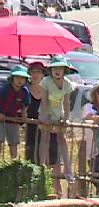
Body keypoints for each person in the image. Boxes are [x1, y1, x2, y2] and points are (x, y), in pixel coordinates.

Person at [39, 56, 75, 197]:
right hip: (46, 113)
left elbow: (66, 103)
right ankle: (42, 165)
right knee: (45, 137)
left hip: (58, 114)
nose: (57, 71)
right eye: (55, 68)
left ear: (64, 70)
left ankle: (68, 168)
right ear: (51, 70)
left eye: (60, 68)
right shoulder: (46, 82)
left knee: (62, 139)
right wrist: (45, 117)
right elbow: (44, 101)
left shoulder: (67, 83)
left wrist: (66, 118)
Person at [0, 64, 31, 159]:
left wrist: (23, 114)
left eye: (22, 78)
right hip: (1, 119)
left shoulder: (25, 92)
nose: (19, 80)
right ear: (12, 78)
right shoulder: (4, 90)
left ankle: (13, 165)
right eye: (17, 77)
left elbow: (25, 105)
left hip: (14, 120)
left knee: (13, 144)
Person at [24, 62, 51, 169]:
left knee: (43, 161)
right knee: (30, 158)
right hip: (30, 127)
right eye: (32, 72)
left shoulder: (47, 91)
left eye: (38, 72)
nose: (35, 74)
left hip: (44, 127)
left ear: (43, 74)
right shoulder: (25, 89)